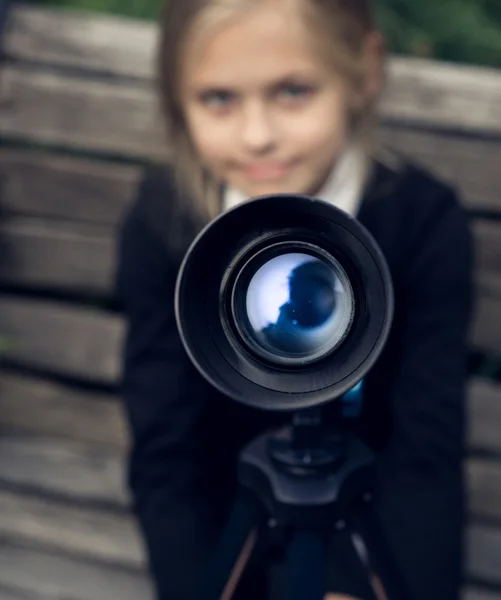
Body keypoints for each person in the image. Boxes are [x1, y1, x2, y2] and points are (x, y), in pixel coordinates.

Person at [115, 0, 475, 599]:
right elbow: (166, 450)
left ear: (363, 74)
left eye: (292, 91)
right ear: (177, 101)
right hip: (226, 527)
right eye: (219, 99)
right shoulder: (165, 224)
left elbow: (425, 453)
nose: (258, 136)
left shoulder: (421, 223)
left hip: (367, 527)